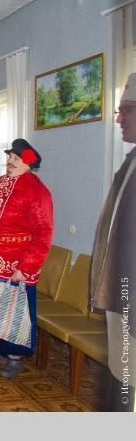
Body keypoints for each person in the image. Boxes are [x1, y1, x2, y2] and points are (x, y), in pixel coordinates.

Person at [0, 138, 53, 378]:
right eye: (9, 156)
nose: (10, 161)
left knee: (13, 313)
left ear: (29, 163)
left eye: (16, 158)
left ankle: (15, 358)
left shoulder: (37, 191)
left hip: (15, 264)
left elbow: (44, 232)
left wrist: (26, 267)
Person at [90, 73, 136, 411]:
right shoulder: (131, 161)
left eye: (126, 110)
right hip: (120, 290)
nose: (118, 119)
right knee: (121, 375)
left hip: (131, 294)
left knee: (127, 379)